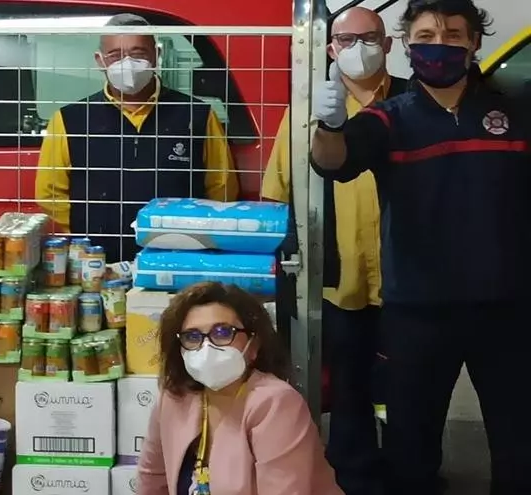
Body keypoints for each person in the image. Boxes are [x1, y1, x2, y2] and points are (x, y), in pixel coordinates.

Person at [310, 1, 531, 493]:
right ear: (407, 45)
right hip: (417, 312)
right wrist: (329, 126)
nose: (440, 45)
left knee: (519, 445)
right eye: (427, 35)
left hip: (508, 309)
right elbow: (334, 162)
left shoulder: (515, 112)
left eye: (454, 35)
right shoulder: (388, 118)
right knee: (411, 449)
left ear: (474, 43)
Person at [261, 7, 401, 495]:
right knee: (348, 383)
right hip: (337, 276)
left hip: (406, 276)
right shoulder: (306, 108)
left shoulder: (412, 100)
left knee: (410, 386)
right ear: (329, 48)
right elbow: (277, 192)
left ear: (388, 44)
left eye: (370, 38)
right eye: (346, 40)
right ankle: (353, 477)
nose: (358, 49)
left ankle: (408, 472)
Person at [35, 13, 239, 262]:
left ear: (157, 55)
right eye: (115, 55)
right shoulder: (69, 119)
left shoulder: (198, 116)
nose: (127, 63)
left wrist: (195, 232)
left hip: (178, 255)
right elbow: (49, 191)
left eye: (138, 53)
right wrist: (90, 227)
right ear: (100, 60)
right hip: (97, 259)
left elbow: (222, 187)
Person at [137, 282, 343, 495]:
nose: (207, 347)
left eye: (223, 332)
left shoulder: (276, 404)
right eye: (192, 336)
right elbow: (151, 480)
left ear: (253, 345)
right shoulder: (174, 399)